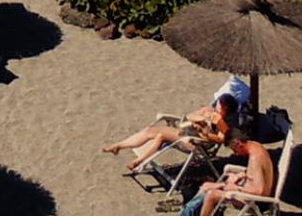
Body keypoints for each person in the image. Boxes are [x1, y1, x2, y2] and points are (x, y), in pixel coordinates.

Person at [103, 91, 235, 175]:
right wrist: (202, 118)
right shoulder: (208, 110)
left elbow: (220, 140)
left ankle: (130, 154)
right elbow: (188, 116)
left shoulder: (223, 123)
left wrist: (205, 132)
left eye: (221, 106)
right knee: (153, 132)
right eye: (218, 104)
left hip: (197, 144)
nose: (217, 107)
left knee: (158, 134)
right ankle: (125, 151)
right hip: (186, 133)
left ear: (226, 109)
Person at [184, 134, 275, 216]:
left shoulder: (255, 158)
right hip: (246, 189)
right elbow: (256, 175)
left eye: (235, 150)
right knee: (206, 186)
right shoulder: (256, 146)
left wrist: (237, 188)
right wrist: (239, 176)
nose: (236, 154)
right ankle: (188, 212)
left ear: (239, 143)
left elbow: (260, 191)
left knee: (212, 195)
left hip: (254, 200)